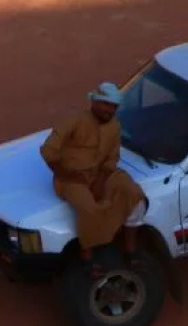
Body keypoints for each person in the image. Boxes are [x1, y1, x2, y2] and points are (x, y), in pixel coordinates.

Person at [40, 82, 146, 271]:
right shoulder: (74, 121)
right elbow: (48, 150)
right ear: (94, 102)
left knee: (134, 195)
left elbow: (112, 157)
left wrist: (101, 180)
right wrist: (66, 174)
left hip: (101, 173)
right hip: (71, 179)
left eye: (114, 106)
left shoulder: (114, 126)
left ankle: (130, 251)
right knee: (88, 208)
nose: (110, 110)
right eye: (106, 104)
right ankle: (87, 258)